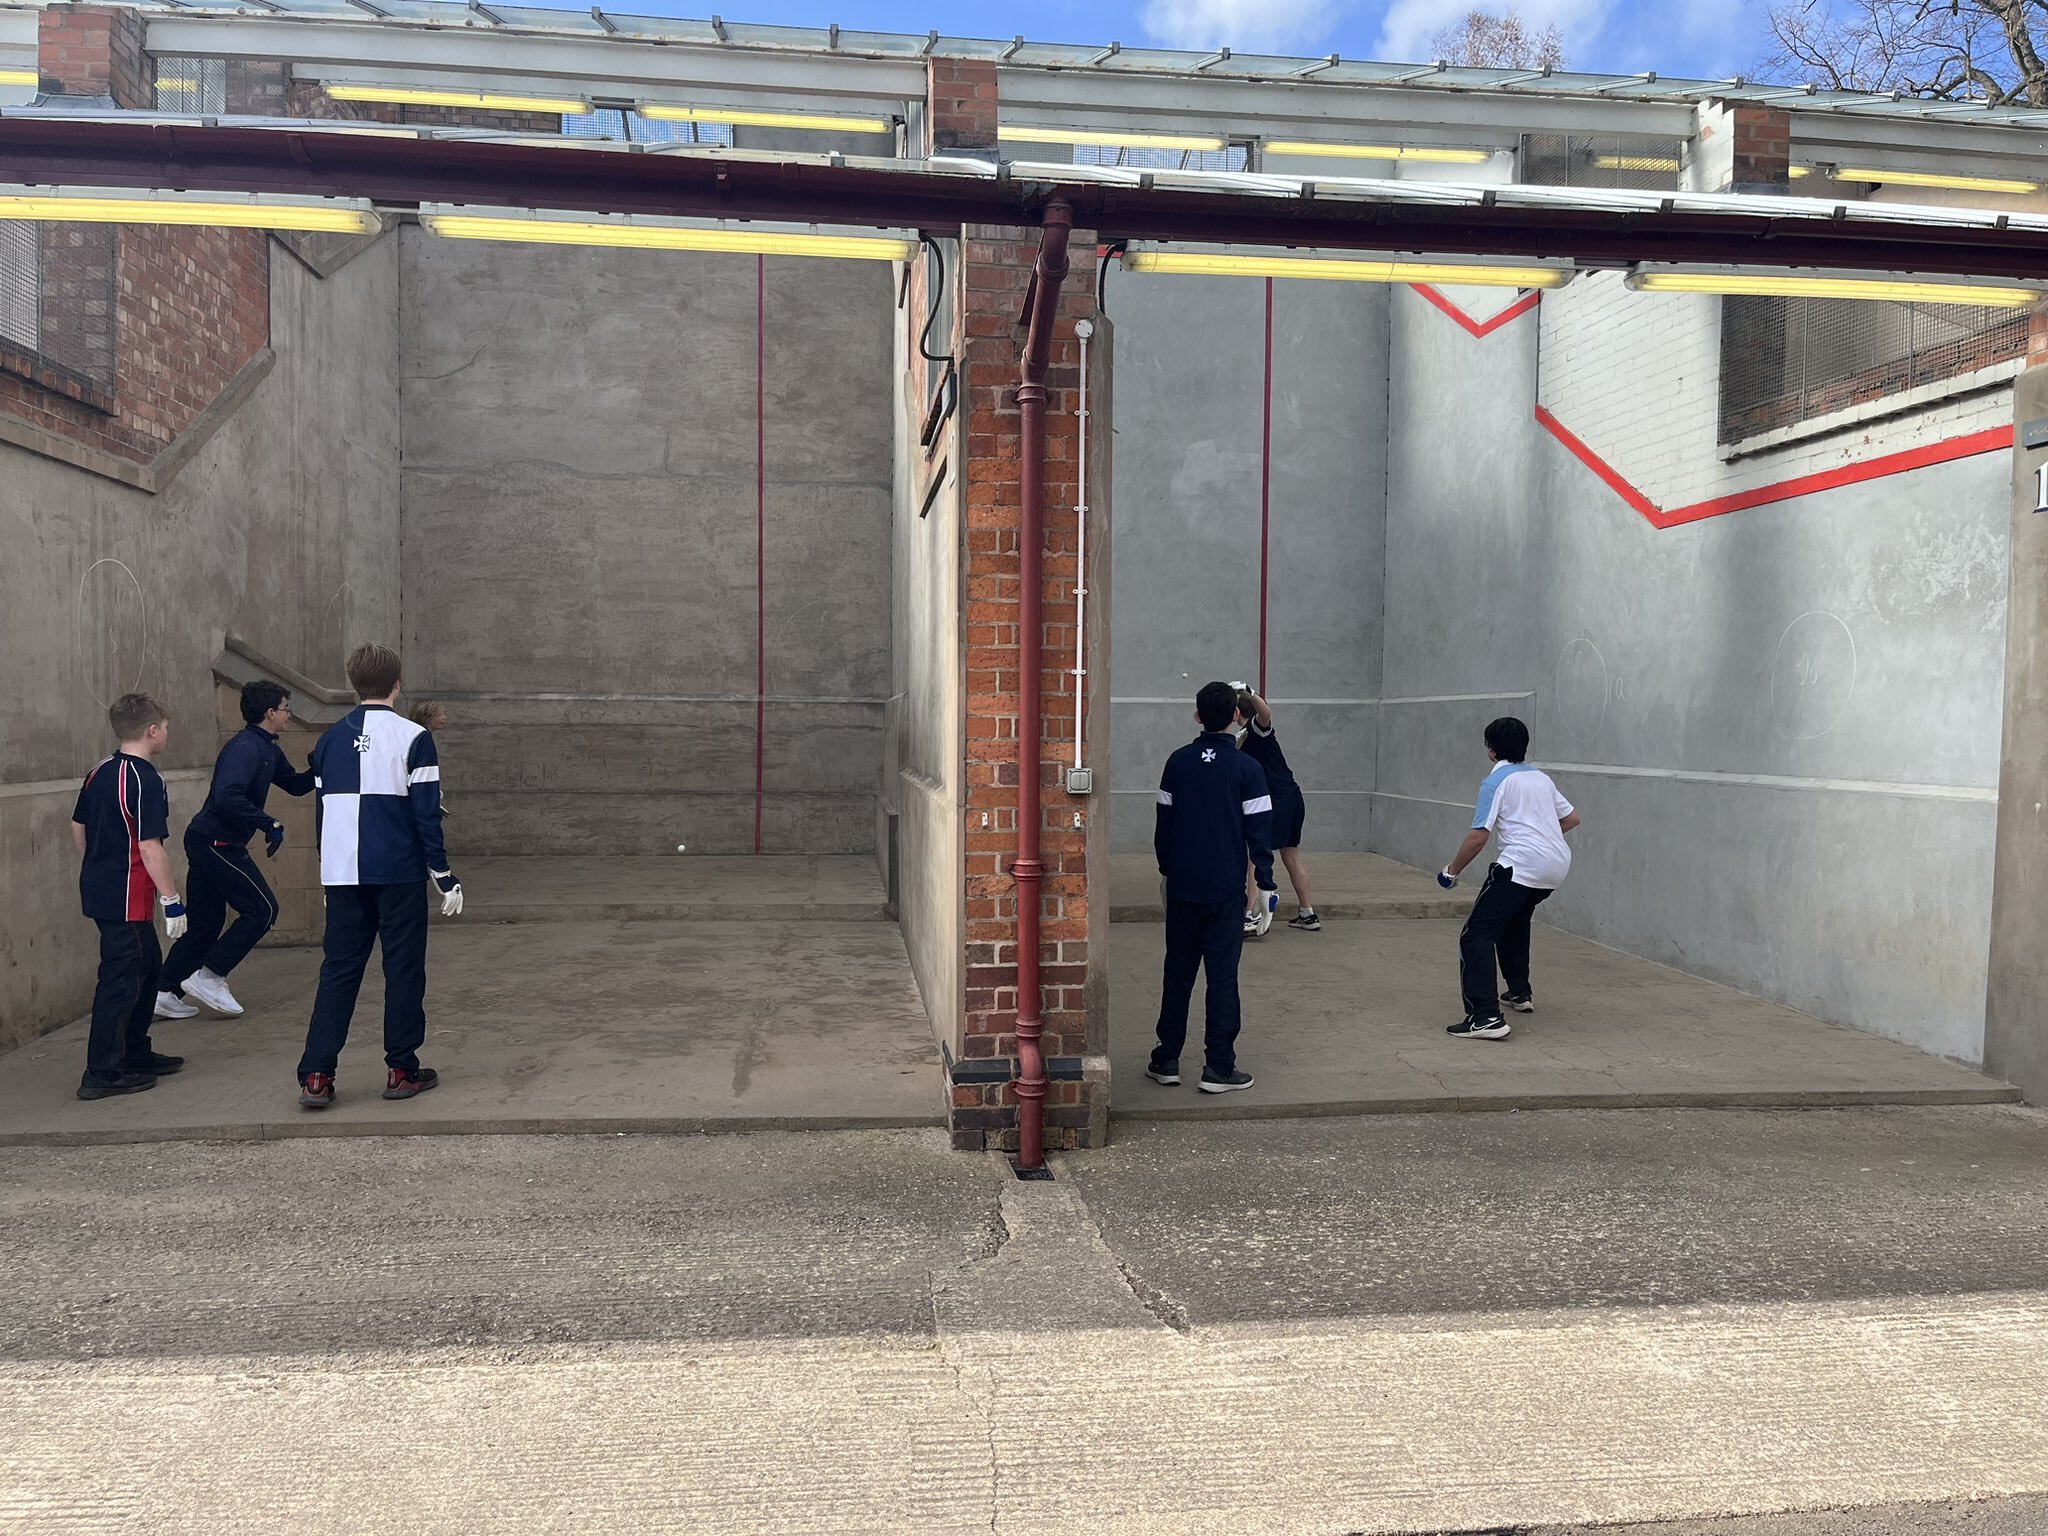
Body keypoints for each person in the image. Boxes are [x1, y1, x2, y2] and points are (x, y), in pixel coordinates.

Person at [294, 644, 464, 1109]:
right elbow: (426, 815)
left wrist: (328, 874)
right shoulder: (415, 738)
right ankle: (402, 1069)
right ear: (397, 683)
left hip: (344, 874)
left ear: (354, 682)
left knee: (338, 972)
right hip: (399, 874)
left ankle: (315, 1075)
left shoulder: (328, 741)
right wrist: (444, 875)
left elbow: (324, 812)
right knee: (403, 969)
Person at [156, 680, 314, 1021]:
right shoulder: (246, 747)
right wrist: (267, 822)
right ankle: (209, 976)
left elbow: (296, 785)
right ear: (271, 713)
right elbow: (228, 795)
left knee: (205, 924)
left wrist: (320, 768)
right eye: (287, 708)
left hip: (211, 841)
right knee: (263, 910)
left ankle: (163, 991)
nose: (289, 714)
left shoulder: (268, 748)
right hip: (215, 842)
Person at [1149, 680, 1277, 1094]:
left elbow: (1163, 827)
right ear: (1238, 716)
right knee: (1222, 978)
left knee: (1177, 973)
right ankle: (1218, 1067)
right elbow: (1260, 832)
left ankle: (1166, 1059)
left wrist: (1169, 868)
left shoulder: (1177, 762)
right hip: (1224, 890)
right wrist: (1266, 881)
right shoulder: (1248, 769)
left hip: (1184, 886)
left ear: (1197, 716)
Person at [71, 694, 189, 1100]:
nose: (167, 734)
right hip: (127, 894)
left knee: (148, 969)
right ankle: (102, 1071)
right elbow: (149, 845)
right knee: (121, 982)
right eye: (166, 728)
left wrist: (98, 866)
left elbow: (78, 827)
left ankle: (134, 1052)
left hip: (104, 887)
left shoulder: (97, 771)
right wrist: (171, 899)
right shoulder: (145, 779)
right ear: (152, 730)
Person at [1435, 717, 1581, 1041]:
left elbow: (1478, 837)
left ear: (1490, 749)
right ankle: (1519, 993)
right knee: (1514, 921)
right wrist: (1543, 839)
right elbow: (1572, 818)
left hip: (1521, 866)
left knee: (1475, 935)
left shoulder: (1495, 781)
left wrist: (1451, 871)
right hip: (1555, 866)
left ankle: (1484, 1017)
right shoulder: (1540, 778)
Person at [1233, 685, 1317, 934]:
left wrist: (1249, 691)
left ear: (1238, 712)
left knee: (1253, 857)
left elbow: (1266, 714)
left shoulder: (1256, 729)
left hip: (1275, 801)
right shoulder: (1243, 737)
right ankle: (1307, 914)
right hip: (1293, 797)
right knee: (1291, 855)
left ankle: (1250, 914)